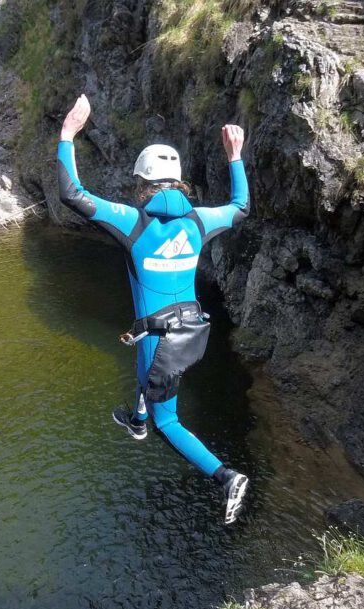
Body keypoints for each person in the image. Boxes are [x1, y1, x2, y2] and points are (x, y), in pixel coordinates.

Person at [57, 94, 251, 523]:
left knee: (170, 422)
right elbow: (241, 209)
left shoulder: (133, 221)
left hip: (160, 341)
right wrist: (235, 158)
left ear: (143, 186)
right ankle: (138, 419)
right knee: (146, 368)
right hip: (193, 332)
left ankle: (226, 476)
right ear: (179, 184)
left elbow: (72, 193)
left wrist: (69, 134)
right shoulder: (200, 221)